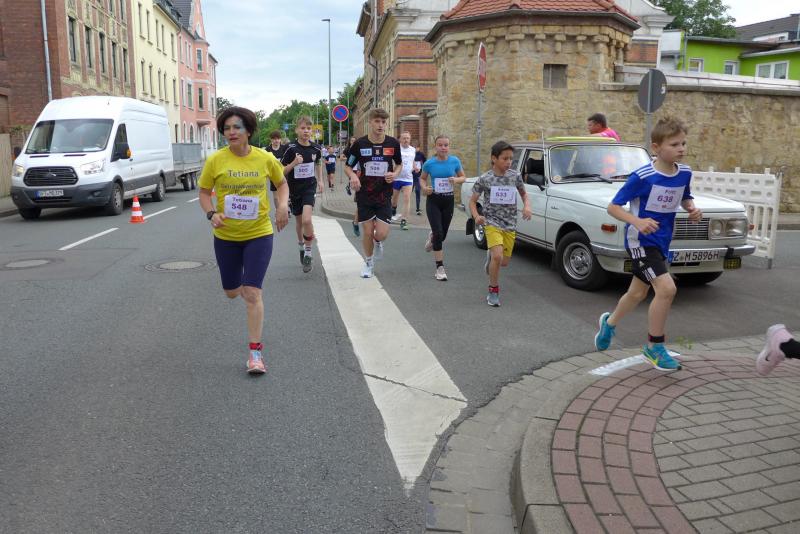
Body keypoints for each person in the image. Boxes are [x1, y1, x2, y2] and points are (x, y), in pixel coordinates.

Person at [593, 117, 702, 371]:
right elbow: (613, 207)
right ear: (656, 147)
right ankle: (654, 347)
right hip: (640, 242)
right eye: (674, 144)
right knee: (666, 289)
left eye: (683, 143)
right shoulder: (643, 176)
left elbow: (685, 197)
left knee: (637, 294)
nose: (681, 149)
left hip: (662, 241)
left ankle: (609, 324)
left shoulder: (684, 173)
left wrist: (692, 209)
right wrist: (637, 221)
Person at [198, 106, 289, 375]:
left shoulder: (264, 158)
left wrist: (283, 205)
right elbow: (204, 193)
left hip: (259, 233)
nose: (231, 132)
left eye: (236, 127)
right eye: (226, 128)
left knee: (252, 293)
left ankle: (255, 354)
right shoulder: (216, 160)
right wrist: (211, 213)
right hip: (226, 236)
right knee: (232, 292)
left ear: (248, 130)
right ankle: (237, 284)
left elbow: (282, 183)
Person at [469, 141, 532, 306]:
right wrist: (476, 216)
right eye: (505, 158)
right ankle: (493, 291)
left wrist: (527, 206)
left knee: (503, 262)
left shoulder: (515, 176)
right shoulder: (485, 178)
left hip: (510, 223)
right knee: (498, 256)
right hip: (492, 222)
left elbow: (524, 195)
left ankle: (491, 258)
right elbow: (472, 201)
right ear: (494, 159)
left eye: (511, 159)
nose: (509, 162)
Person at [344, 108, 403, 278]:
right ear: (370, 122)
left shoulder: (393, 143)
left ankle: (378, 242)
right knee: (368, 232)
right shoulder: (359, 144)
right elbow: (348, 166)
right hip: (365, 194)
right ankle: (368, 263)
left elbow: (399, 164)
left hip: (384, 194)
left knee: (381, 234)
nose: (380, 125)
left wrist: (395, 174)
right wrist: (353, 176)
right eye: (377, 121)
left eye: (383, 122)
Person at [280, 116, 324, 274]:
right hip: (294, 189)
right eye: (303, 128)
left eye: (309, 128)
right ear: (297, 130)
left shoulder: (316, 148)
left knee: (307, 219)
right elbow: (281, 171)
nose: (306, 131)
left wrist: (320, 180)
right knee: (299, 222)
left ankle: (308, 252)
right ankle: (301, 245)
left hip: (309, 187)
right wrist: (293, 163)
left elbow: (318, 163)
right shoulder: (290, 148)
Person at [420, 135, 466, 281]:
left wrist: (456, 179)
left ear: (449, 147)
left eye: (446, 145)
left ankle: (432, 237)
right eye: (440, 145)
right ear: (435, 147)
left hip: (448, 201)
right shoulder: (429, 163)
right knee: (439, 233)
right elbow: (422, 178)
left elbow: (463, 177)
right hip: (433, 200)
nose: (443, 147)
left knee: (442, 235)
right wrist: (424, 188)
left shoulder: (454, 161)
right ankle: (440, 268)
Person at [390, 131, 415, 230]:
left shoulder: (413, 150)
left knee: (407, 199)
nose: (406, 140)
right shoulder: (396, 149)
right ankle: (393, 208)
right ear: (400, 139)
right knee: (394, 199)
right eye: (404, 138)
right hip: (396, 177)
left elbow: (412, 161)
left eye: (407, 138)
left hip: (408, 178)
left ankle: (404, 221)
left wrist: (414, 167)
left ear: (410, 139)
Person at [412, 140, 426, 216]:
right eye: (414, 147)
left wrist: (423, 172)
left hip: (418, 176)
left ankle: (418, 209)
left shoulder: (421, 154)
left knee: (417, 191)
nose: (415, 149)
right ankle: (405, 207)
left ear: (419, 148)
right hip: (410, 176)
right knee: (407, 194)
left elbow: (425, 163)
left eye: (416, 147)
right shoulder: (410, 154)